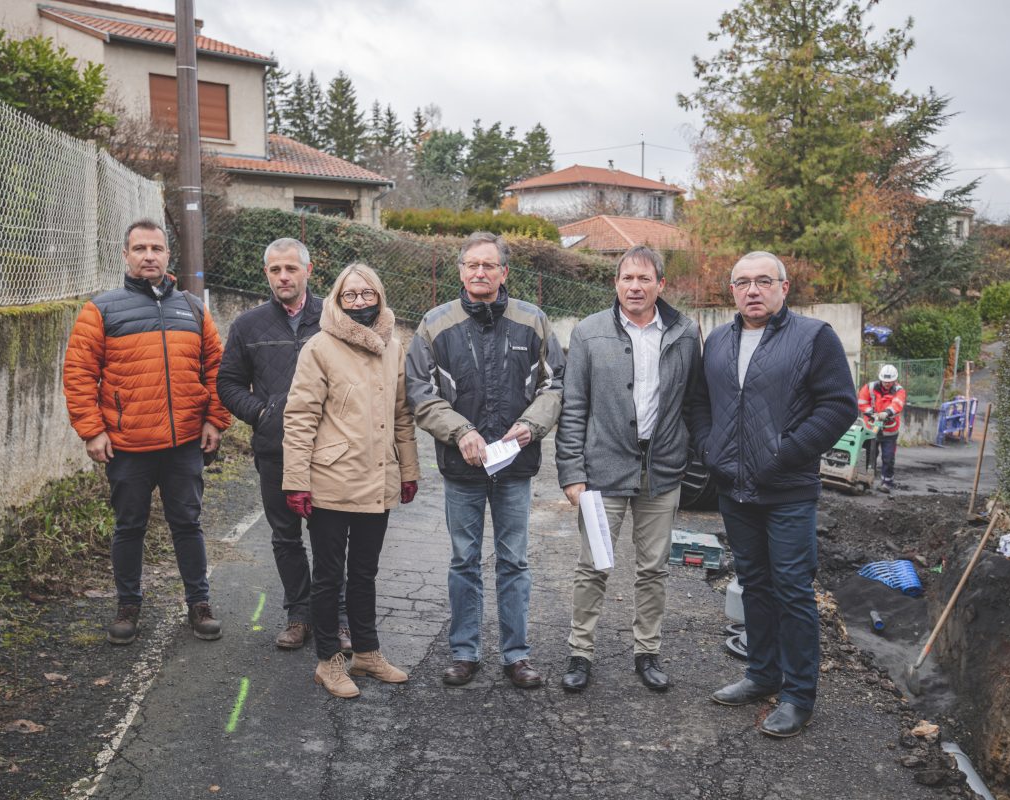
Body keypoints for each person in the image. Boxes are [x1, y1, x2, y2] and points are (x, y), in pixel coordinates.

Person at [690, 251, 857, 737]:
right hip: (734, 489)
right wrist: (710, 448)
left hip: (787, 490)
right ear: (732, 291)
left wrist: (786, 453)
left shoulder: (813, 337)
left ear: (785, 287)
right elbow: (702, 404)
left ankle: (798, 695)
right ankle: (762, 674)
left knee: (792, 589)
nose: (753, 290)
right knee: (753, 584)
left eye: (764, 281)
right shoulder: (719, 340)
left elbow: (838, 405)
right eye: (742, 282)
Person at [406, 231, 565, 689]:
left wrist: (531, 426)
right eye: (472, 265)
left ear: (504, 272)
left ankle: (517, 655)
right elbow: (419, 391)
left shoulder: (533, 321)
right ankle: (464, 652)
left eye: (489, 266)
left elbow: (556, 385)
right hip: (462, 469)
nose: (480, 272)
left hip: (515, 467)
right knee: (464, 560)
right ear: (460, 271)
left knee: (514, 560)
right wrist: (462, 432)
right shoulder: (434, 324)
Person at [63, 219, 231, 644]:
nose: (149, 256)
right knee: (129, 526)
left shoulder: (193, 308)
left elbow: (217, 369)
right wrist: (92, 431)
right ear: (125, 255)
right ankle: (128, 605)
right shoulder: (101, 309)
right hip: (128, 444)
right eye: (140, 249)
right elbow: (79, 374)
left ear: (167, 256)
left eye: (156, 248)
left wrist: (215, 419)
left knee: (187, 524)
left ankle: (199, 603)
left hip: (184, 443)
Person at [555, 246, 702, 693]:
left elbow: (694, 403)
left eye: (644, 279)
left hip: (661, 472)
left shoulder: (685, 332)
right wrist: (571, 472)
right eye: (626, 278)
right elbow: (573, 405)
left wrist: (688, 460)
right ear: (615, 283)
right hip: (602, 471)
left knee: (654, 567)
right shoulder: (588, 332)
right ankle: (580, 653)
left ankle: (647, 652)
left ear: (661, 284)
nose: (634, 287)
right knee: (593, 566)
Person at [281, 263, 420, 699]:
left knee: (365, 573)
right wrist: (296, 481)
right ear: (337, 300)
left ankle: (367, 652)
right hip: (330, 480)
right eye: (350, 295)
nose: (359, 301)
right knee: (328, 577)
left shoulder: (394, 345)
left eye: (367, 294)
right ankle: (328, 661)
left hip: (377, 480)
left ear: (379, 297)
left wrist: (409, 470)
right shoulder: (319, 347)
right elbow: (300, 417)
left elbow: (402, 414)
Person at [216, 238, 351, 654]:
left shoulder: (335, 319)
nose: (283, 277)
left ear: (308, 271)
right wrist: (261, 414)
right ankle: (299, 615)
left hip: (329, 451)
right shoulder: (248, 325)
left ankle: (339, 619)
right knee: (285, 536)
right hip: (276, 450)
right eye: (275, 270)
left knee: (330, 537)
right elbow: (227, 383)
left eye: (291, 268)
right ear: (266, 275)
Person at [858, 364, 907, 490]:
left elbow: (897, 404)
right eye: (885, 381)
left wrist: (886, 413)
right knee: (868, 455)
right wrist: (872, 414)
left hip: (889, 431)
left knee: (888, 457)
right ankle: (865, 480)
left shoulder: (899, 391)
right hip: (871, 428)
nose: (886, 384)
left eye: (889, 382)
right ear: (881, 379)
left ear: (894, 380)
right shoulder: (869, 387)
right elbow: (862, 402)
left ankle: (887, 482)